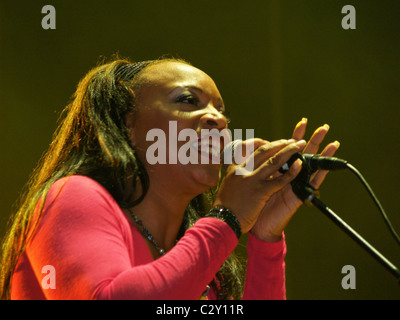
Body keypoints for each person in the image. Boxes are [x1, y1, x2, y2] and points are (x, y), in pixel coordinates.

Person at [0, 57, 339, 300]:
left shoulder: (201, 264)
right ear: (128, 124)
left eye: (223, 112)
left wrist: (265, 237)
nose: (218, 121)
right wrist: (226, 217)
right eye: (188, 101)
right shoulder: (73, 195)